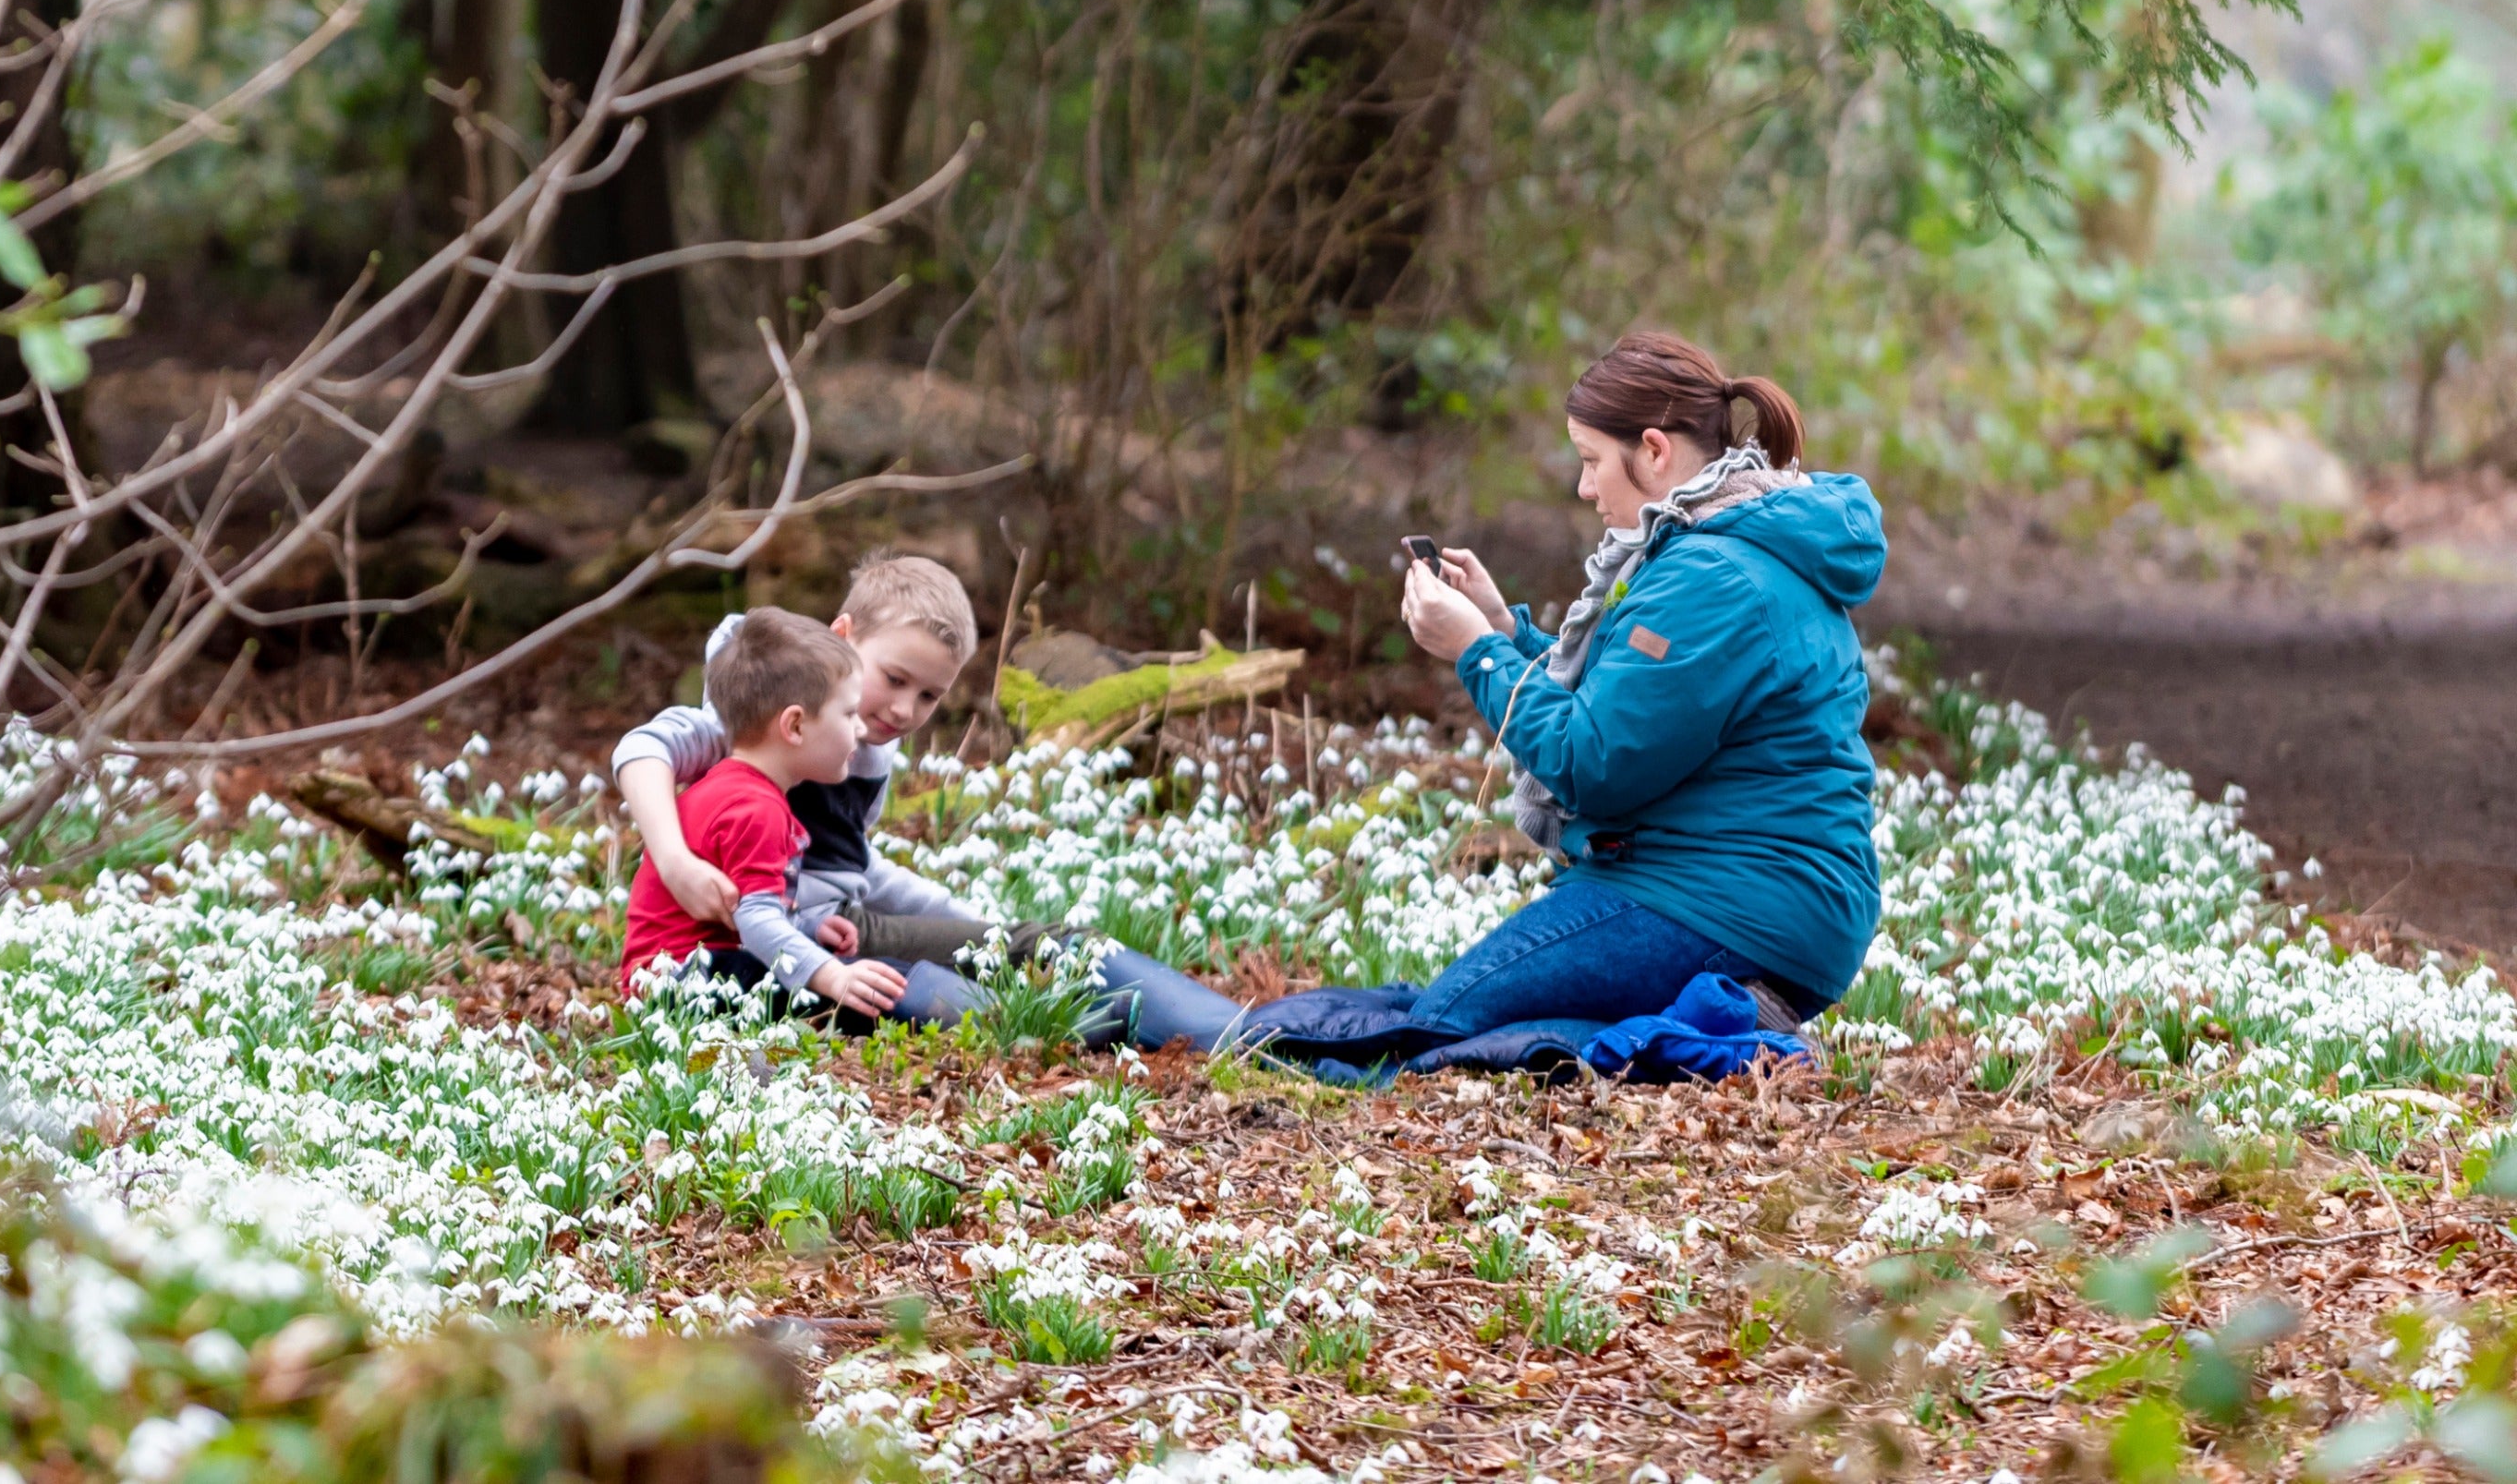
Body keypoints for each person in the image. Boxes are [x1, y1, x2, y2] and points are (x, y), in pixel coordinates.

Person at [1232, 330, 1884, 1078]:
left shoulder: (1714, 575)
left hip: (1729, 902)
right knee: (1455, 1019)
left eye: (1590, 461)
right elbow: (1641, 705)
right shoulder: (1726, 544)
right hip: (1750, 895)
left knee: (1436, 1031)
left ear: (1653, 450)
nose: (1584, 487)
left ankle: (1730, 1035)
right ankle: (1708, 1019)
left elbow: (1592, 761)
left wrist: (1477, 652)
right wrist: (1508, 628)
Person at [613, 552, 1241, 1045]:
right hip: (787, 949)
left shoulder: (864, 748)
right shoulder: (776, 712)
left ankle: (1217, 1027)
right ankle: (1200, 1031)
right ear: (844, 636)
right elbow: (645, 750)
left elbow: (849, 864)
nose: (901, 710)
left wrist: (957, 918)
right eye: (893, 679)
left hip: (821, 934)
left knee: (1006, 946)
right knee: (1018, 964)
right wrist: (675, 862)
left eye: (929, 697)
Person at [618, 607, 912, 1019]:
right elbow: (754, 922)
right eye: (848, 715)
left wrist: (808, 930)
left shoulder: (744, 790)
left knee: (833, 982)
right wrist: (831, 976)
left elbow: (747, 912)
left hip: (676, 972)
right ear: (794, 726)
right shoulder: (756, 809)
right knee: (849, 995)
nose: (861, 731)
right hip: (680, 979)